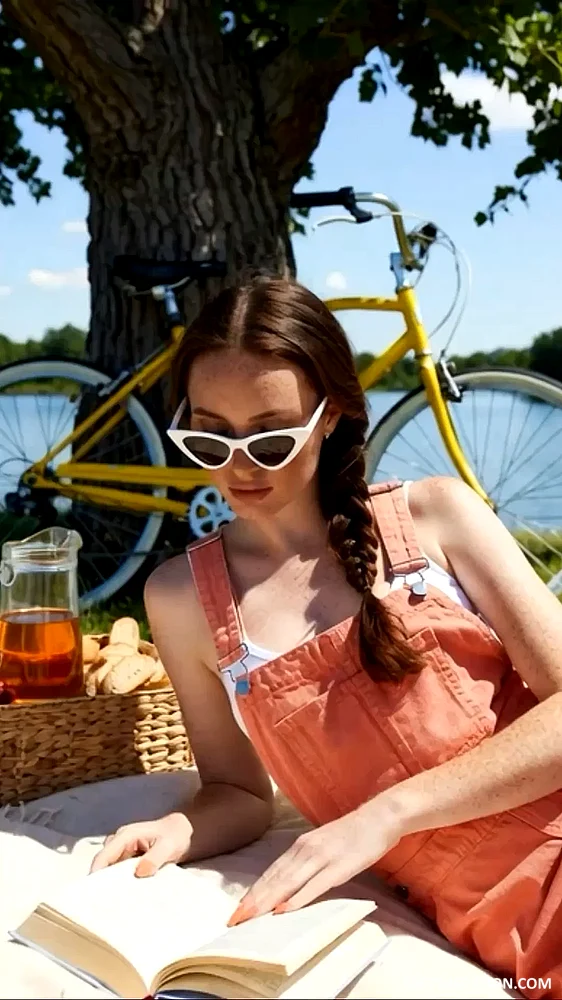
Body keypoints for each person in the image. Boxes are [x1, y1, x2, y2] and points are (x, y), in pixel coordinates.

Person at [92, 275, 562, 999]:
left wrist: (386, 817)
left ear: (331, 416)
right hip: (501, 934)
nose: (238, 467)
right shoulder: (182, 599)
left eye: (271, 438)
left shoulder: (435, 519)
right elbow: (238, 791)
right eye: (209, 436)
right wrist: (181, 829)